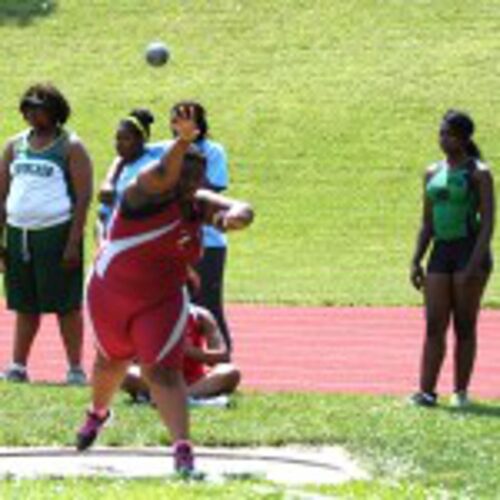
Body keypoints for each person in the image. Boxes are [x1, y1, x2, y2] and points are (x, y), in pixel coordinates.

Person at [76, 105, 254, 476]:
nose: (191, 177)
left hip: (161, 298)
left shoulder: (198, 201)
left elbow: (237, 207)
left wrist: (235, 216)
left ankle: (182, 448)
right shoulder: (143, 189)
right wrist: (183, 142)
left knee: (163, 371)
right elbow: (163, 172)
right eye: (184, 168)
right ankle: (97, 413)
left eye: (198, 171)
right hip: (112, 292)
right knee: (110, 361)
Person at [0, 83, 93, 385]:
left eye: (38, 107)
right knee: (25, 303)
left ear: (54, 112)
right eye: (27, 107)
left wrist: (73, 243)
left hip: (56, 233)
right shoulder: (15, 145)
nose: (31, 113)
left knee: (66, 305)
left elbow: (83, 197)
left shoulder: (70, 146)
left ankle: (75, 368)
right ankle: (18, 365)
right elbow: (2, 195)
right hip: (19, 233)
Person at [410, 109, 495, 408]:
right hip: (441, 253)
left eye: (448, 134)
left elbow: (487, 223)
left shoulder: (479, 173)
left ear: (464, 138)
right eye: (440, 133)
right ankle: (426, 392)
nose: (442, 138)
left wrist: (473, 264)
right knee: (434, 325)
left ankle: (460, 392)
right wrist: (416, 259)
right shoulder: (432, 172)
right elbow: (427, 223)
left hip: (469, 252)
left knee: (464, 325)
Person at [167, 102, 233, 352]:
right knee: (171, 305)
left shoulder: (213, 151)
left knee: (208, 304)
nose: (179, 125)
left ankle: (222, 358)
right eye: (175, 119)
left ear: (199, 123)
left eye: (186, 119)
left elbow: (210, 190)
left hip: (208, 240)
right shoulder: (166, 151)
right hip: (172, 239)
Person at [121, 303, 241, 403]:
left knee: (230, 371)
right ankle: (178, 396)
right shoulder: (147, 315)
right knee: (124, 372)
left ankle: (180, 396)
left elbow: (223, 356)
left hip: (195, 380)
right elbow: (130, 357)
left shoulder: (200, 316)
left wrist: (188, 351)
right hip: (158, 378)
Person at [97, 108, 166, 238]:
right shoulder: (120, 167)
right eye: (117, 139)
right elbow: (102, 213)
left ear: (141, 140)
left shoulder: (150, 167)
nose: (119, 144)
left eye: (126, 139)